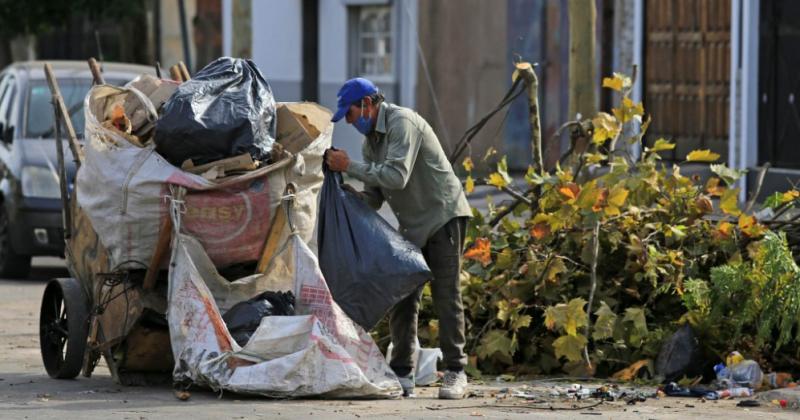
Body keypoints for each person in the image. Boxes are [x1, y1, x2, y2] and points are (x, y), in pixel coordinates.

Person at [325, 78, 472, 399]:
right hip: (412, 226)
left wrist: (349, 165)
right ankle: (402, 372)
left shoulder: (402, 122)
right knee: (403, 294)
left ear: (367, 104)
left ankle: (456, 371)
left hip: (443, 216)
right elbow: (375, 198)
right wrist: (345, 194)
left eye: (349, 115)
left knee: (447, 295)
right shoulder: (371, 144)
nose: (350, 122)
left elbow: (397, 176)